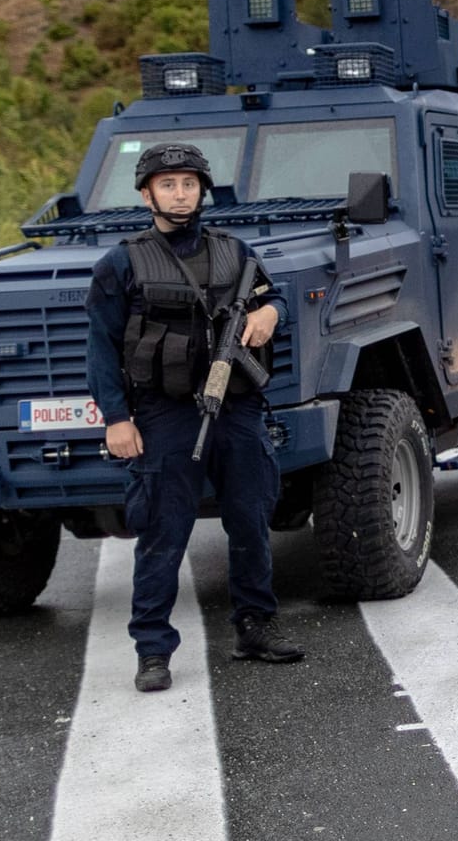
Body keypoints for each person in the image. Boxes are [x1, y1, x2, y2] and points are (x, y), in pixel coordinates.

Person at [85, 142, 304, 694]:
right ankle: (153, 648)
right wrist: (116, 418)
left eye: (188, 184)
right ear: (146, 194)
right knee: (163, 530)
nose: (179, 194)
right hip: (165, 413)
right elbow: (100, 348)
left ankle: (254, 625)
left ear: (202, 190)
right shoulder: (123, 262)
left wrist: (270, 313)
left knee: (251, 519)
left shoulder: (235, 250)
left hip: (238, 406)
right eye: (167, 185)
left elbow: (274, 295)